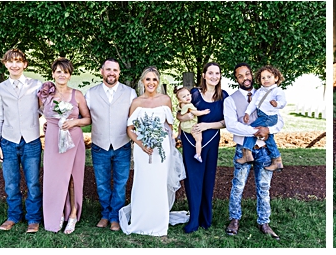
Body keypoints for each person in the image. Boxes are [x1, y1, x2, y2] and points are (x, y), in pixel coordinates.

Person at [120, 67, 182, 236]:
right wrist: (141, 144)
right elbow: (130, 129)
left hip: (162, 150)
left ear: (158, 82)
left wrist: (166, 143)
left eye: (154, 79)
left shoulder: (166, 100)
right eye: (148, 79)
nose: (151, 83)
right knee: (143, 182)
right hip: (143, 150)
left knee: (159, 183)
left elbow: (169, 127)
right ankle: (141, 220)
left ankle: (159, 222)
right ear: (142, 82)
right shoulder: (137, 102)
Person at [223, 63, 282, 238]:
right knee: (238, 186)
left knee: (264, 187)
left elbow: (279, 121)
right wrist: (256, 131)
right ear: (236, 79)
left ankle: (264, 222)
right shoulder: (230, 100)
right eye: (240, 76)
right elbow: (232, 126)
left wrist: (268, 131)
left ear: (252, 75)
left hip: (263, 150)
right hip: (244, 149)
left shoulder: (266, 92)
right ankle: (234, 219)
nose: (245, 78)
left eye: (247, 74)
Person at [0, 49, 43, 234]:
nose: (15, 65)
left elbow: (45, 110)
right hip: (8, 142)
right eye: (10, 61)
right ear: (5, 64)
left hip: (31, 141)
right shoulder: (1, 88)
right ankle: (13, 216)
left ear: (25, 64)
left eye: (18, 61)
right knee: (11, 183)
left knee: (33, 183)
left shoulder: (37, 85)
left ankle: (34, 218)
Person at [38, 59, 90, 234]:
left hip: (73, 140)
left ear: (70, 75)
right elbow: (40, 114)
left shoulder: (77, 95)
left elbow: (88, 119)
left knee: (73, 177)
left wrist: (74, 122)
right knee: (54, 178)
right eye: (58, 71)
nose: (62, 75)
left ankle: (73, 214)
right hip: (53, 139)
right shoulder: (45, 94)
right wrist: (48, 125)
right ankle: (58, 212)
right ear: (53, 73)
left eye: (65, 72)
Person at [86, 58, 136, 232]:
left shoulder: (130, 93)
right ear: (102, 71)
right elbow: (81, 116)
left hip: (122, 144)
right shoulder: (91, 93)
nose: (111, 73)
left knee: (121, 183)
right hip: (99, 145)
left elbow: (135, 120)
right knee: (102, 183)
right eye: (108, 70)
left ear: (119, 72)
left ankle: (116, 216)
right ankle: (105, 214)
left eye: (115, 70)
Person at [181, 63, 227, 233]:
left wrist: (207, 126)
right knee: (193, 179)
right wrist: (184, 116)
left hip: (211, 141)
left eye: (217, 73)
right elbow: (181, 114)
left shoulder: (224, 96)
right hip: (191, 141)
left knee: (208, 179)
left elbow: (226, 122)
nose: (214, 76)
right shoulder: (194, 94)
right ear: (204, 75)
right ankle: (193, 220)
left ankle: (205, 218)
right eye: (210, 73)